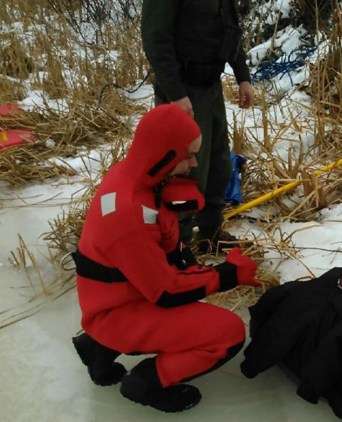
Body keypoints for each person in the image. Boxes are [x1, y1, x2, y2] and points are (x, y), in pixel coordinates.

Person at [71, 104, 261, 413]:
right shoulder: (129, 212)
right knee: (228, 333)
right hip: (119, 310)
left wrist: (191, 264)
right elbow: (166, 291)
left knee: (191, 304)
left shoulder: (132, 177)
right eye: (188, 155)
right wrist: (228, 274)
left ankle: (96, 348)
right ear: (164, 156)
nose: (194, 163)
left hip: (116, 298)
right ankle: (146, 382)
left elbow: (160, 247)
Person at [141, 0, 255, 251]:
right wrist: (176, 94)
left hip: (210, 87)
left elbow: (230, 29)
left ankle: (209, 234)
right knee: (186, 171)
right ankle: (176, 245)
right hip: (182, 91)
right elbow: (155, 39)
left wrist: (243, 76)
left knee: (219, 164)